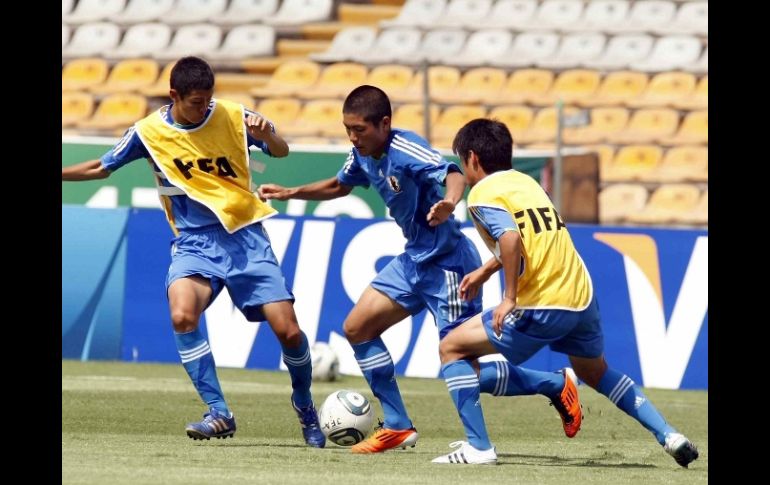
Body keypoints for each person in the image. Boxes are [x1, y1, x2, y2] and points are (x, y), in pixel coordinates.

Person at [258, 85, 579, 454]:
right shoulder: (361, 153)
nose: (352, 136)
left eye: (359, 129)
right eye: (348, 128)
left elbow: (453, 172)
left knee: (462, 364)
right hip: (413, 261)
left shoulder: (405, 148)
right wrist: (289, 192)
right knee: (358, 328)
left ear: (384, 123)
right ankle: (397, 425)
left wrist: (448, 202)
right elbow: (339, 185)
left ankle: (554, 385)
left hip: (449, 266)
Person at [61, 56, 326, 448]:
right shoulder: (148, 133)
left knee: (288, 330)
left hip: (245, 237)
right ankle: (219, 411)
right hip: (194, 243)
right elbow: (102, 167)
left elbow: (281, 151)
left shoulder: (234, 116)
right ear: (174, 96)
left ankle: (303, 403)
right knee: (183, 313)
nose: (205, 108)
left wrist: (268, 134)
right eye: (197, 102)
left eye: (208, 100)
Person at [430, 118, 699, 468]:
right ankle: (669, 435)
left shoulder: (482, 193)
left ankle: (478, 447)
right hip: (581, 295)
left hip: (540, 303)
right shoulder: (527, 185)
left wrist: (509, 297)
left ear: (472, 158)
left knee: (452, 348)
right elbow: (532, 239)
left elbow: (510, 239)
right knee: (596, 372)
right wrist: (485, 270)